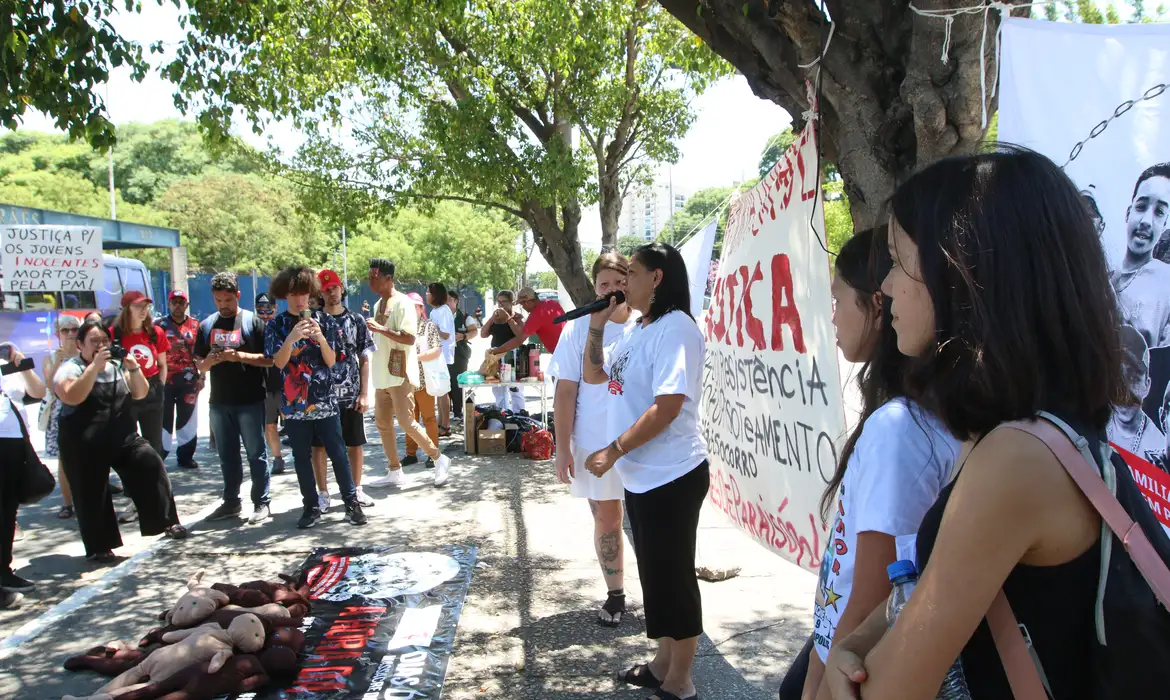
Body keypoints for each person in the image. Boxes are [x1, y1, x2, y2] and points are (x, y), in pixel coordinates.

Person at [820, 147, 1129, 700]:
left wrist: (850, 660)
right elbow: (914, 590)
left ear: (963, 270)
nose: (885, 286)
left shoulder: (1016, 458)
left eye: (898, 260)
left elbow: (888, 689)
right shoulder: (1016, 432)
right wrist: (853, 645)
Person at [779, 230, 960, 700]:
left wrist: (818, 688)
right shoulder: (903, 417)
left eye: (838, 300)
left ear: (876, 307)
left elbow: (876, 591)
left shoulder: (898, 428)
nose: (832, 316)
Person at [582, 242, 708, 700]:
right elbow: (597, 375)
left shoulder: (676, 329)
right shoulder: (639, 328)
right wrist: (596, 328)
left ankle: (682, 680)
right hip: (644, 476)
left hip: (672, 474)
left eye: (631, 273)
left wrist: (613, 450)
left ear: (657, 278)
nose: (623, 283)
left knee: (673, 577)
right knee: (656, 575)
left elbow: (668, 406)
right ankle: (662, 662)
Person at [549, 251, 638, 627]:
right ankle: (616, 594)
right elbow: (565, 392)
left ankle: (661, 593)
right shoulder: (576, 329)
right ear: (595, 287)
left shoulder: (647, 325)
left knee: (647, 519)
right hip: (593, 441)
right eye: (605, 284)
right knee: (607, 518)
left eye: (621, 283)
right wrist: (562, 448)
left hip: (641, 439)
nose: (613, 292)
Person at [53, 321, 186, 563]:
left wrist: (134, 369)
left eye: (104, 341)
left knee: (149, 462)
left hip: (122, 436)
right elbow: (71, 396)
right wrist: (93, 368)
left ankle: (167, 522)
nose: (101, 346)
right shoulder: (70, 368)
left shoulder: (116, 366)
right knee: (91, 491)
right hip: (83, 443)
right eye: (94, 341)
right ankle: (100, 546)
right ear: (80, 344)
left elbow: (140, 393)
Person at [265, 266, 367, 529]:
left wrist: (321, 338)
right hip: (294, 404)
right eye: (294, 295)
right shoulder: (276, 325)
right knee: (301, 456)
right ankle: (310, 506)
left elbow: (332, 361)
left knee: (338, 452)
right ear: (285, 295)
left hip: (325, 401)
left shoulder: (326, 322)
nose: (300, 300)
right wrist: (292, 338)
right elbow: (277, 363)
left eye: (304, 294)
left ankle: (351, 503)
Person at [364, 259, 452, 489]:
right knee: (383, 423)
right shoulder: (378, 304)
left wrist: (381, 328)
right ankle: (394, 470)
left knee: (406, 422)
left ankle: (439, 458)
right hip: (382, 374)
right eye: (370, 277)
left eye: (375, 277)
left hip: (400, 373)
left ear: (388, 279)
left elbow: (410, 338)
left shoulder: (403, 303)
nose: (371, 281)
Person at [196, 272, 274, 525]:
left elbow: (269, 359)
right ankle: (231, 501)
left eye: (228, 300)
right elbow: (201, 366)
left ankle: (261, 502)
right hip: (219, 402)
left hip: (250, 400)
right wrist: (212, 359)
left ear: (237, 296)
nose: (223, 305)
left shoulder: (253, 322)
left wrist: (239, 357)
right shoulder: (207, 325)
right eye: (218, 300)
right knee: (227, 455)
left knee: (256, 453)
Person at [310, 270, 376, 511]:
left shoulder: (356, 320)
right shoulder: (313, 321)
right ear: (320, 293)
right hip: (321, 396)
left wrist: (365, 393)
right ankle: (323, 494)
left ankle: (356, 489)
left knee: (355, 443)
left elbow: (365, 357)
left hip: (351, 393)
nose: (331, 292)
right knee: (319, 446)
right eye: (326, 289)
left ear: (341, 289)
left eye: (334, 287)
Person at [0, 343, 47, 608]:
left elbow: (38, 392)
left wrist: (21, 364)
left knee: (8, 512)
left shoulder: (7, 359)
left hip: (14, 443)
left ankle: (4, 571)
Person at [1112, 162, 1170, 348]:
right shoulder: (1102, 274)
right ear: (1128, 213)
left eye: (1159, 212)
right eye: (1141, 206)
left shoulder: (1166, 283)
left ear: (1164, 224)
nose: (1146, 221)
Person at [111, 291, 170, 457]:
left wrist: (160, 386)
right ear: (127, 309)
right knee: (128, 441)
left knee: (154, 442)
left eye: (146, 306)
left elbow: (162, 364)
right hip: (127, 392)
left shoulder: (155, 332)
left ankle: (155, 479)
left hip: (152, 390)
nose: (143, 310)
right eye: (138, 306)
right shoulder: (114, 333)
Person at [1107, 324, 1166, 469]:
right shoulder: (1093, 420)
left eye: (1134, 376)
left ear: (1147, 384)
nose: (1125, 385)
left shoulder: (1157, 448)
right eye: (1117, 374)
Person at [157, 290, 202, 470]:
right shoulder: (158, 326)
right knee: (163, 420)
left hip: (189, 381)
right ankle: (160, 456)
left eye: (181, 302)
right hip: (164, 381)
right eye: (174, 302)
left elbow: (201, 354)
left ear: (186, 305)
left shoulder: (195, 326)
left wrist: (202, 376)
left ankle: (186, 456)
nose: (177, 305)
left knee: (188, 420)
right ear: (169, 304)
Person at [401, 292, 444, 477]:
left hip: (425, 380)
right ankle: (410, 454)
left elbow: (437, 350)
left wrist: (415, 358)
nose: (412, 310)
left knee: (428, 418)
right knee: (409, 420)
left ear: (421, 308)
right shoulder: (402, 328)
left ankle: (432, 453)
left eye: (415, 306)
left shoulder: (429, 327)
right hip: (407, 381)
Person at [42, 315, 80, 519]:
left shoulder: (85, 354)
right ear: (58, 334)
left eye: (74, 329)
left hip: (82, 408)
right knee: (64, 459)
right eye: (65, 330)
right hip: (60, 411)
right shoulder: (50, 357)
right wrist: (58, 361)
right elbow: (49, 386)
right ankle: (67, 503)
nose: (71, 334)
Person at [254, 293, 285, 474]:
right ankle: (277, 458)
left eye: (269, 311)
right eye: (261, 311)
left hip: (284, 382)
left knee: (294, 422)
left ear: (275, 309)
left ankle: (302, 454)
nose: (265, 315)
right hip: (264, 384)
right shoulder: (253, 327)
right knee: (270, 425)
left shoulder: (281, 326)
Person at [480, 290, 525, 413]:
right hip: (496, 357)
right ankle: (503, 415)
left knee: (516, 389)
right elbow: (483, 334)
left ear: (511, 302)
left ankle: (519, 415)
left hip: (513, 356)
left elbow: (520, 335)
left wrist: (508, 318)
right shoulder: (495, 318)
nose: (501, 305)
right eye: (499, 302)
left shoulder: (517, 317)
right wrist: (492, 319)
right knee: (498, 390)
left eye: (504, 302)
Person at [490, 286, 566, 357]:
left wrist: (496, 351)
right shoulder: (552, 303)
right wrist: (520, 320)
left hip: (562, 353)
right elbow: (544, 324)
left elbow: (519, 340)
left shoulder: (536, 314)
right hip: (569, 346)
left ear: (527, 302)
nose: (523, 307)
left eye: (522, 304)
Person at [427, 282, 456, 437]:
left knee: (443, 391)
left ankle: (445, 425)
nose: (426, 295)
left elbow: (445, 334)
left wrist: (431, 327)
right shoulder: (435, 311)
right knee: (439, 391)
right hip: (436, 356)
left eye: (428, 292)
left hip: (442, 356)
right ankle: (440, 423)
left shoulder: (443, 311)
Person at [448, 290, 478, 423]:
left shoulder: (465, 317)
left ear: (456, 301)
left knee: (458, 382)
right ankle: (447, 410)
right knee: (445, 382)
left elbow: (474, 331)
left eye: (449, 300)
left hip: (460, 354)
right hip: (444, 354)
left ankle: (458, 411)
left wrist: (463, 336)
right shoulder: (439, 316)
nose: (447, 303)